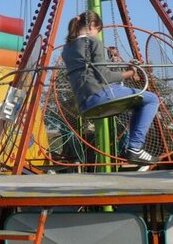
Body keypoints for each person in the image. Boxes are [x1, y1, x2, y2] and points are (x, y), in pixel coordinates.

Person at [61, 11, 160, 165]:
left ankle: (133, 147)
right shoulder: (93, 42)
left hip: (83, 102)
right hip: (100, 94)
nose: (97, 34)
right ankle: (135, 147)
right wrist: (130, 72)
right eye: (98, 30)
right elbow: (105, 76)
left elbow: (90, 72)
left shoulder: (67, 49)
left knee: (138, 103)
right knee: (152, 99)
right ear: (92, 26)